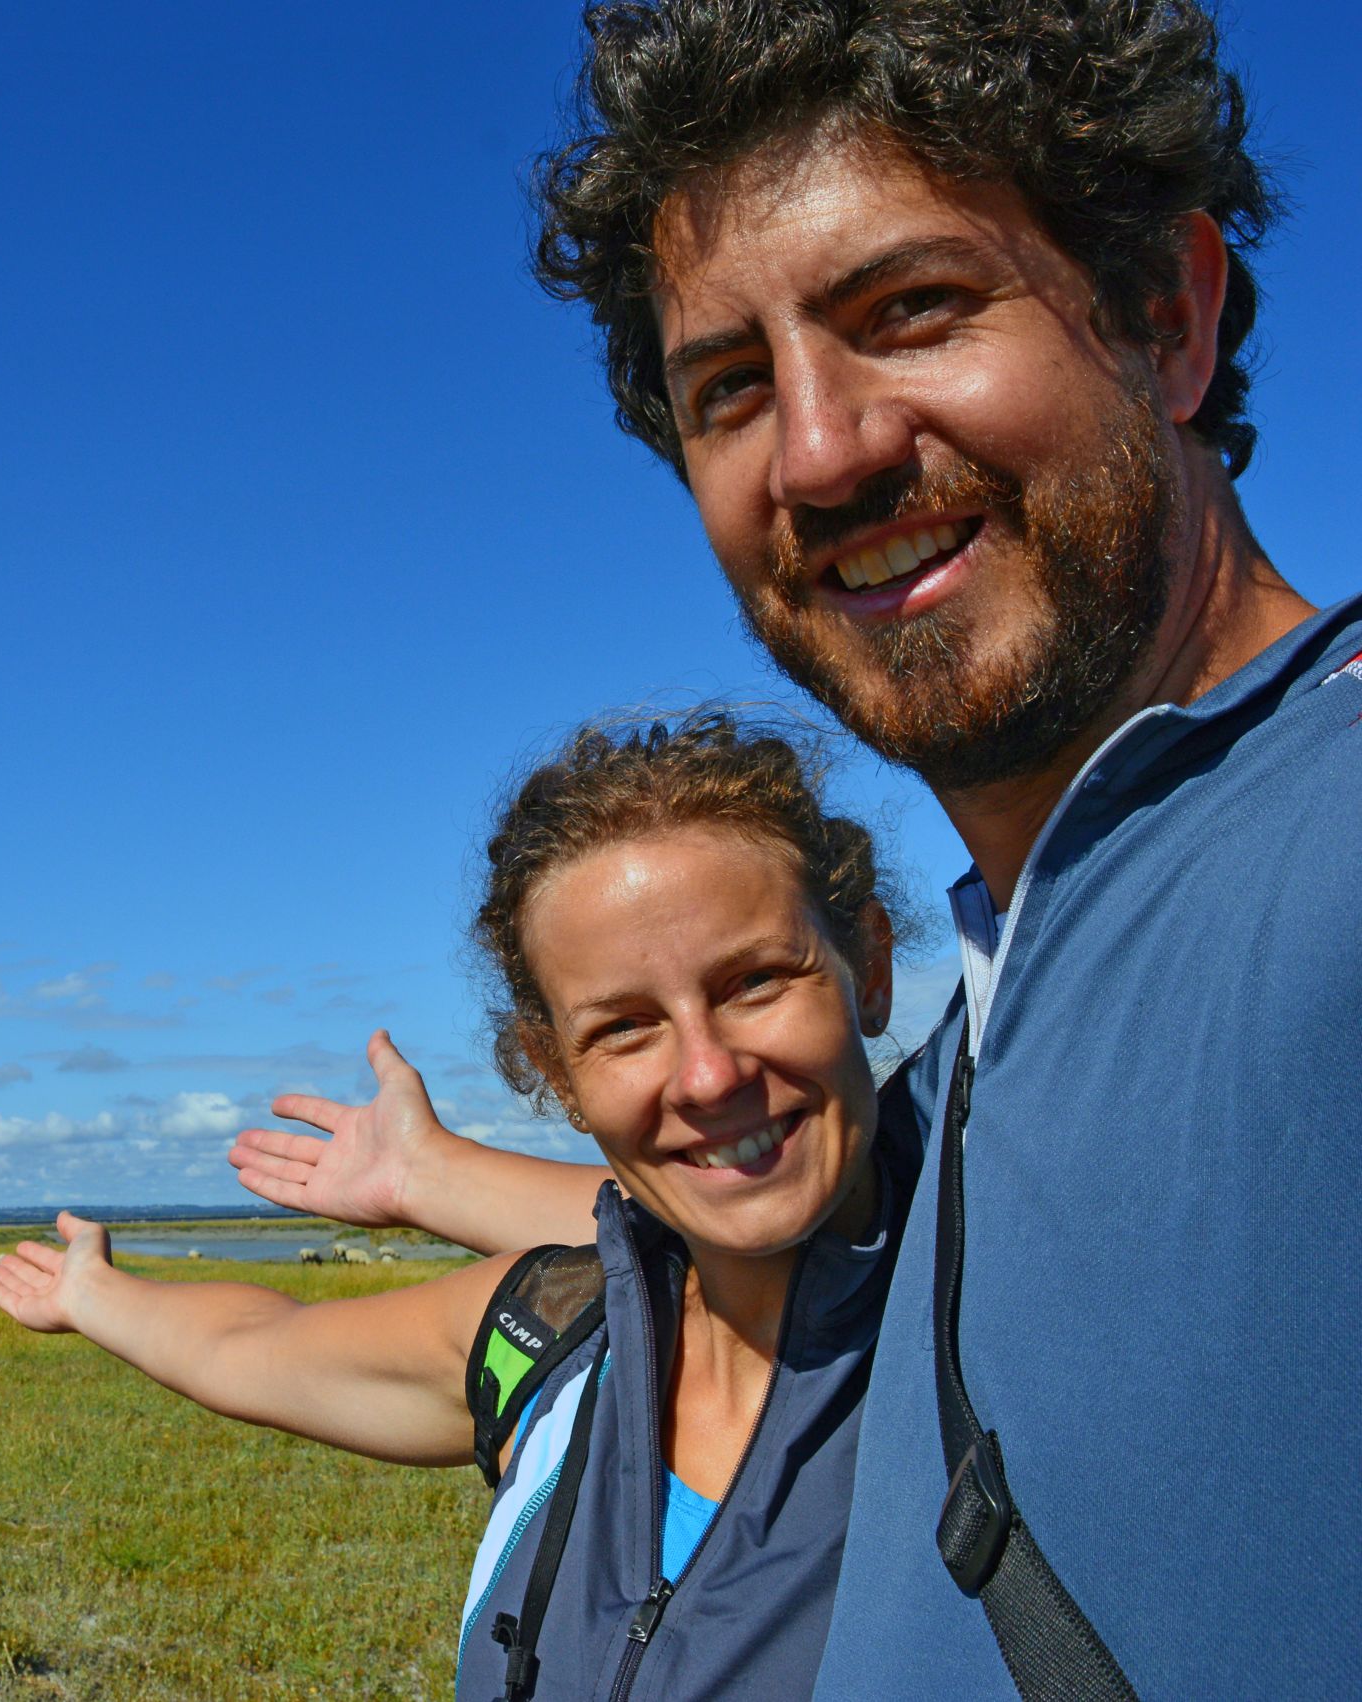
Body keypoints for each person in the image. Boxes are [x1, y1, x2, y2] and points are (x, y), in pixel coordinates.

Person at [240, 5, 1361, 1695]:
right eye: (731, 389)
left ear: (1170, 314)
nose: (823, 449)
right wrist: (431, 1178)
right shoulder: (1009, 1004)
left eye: (912, 307)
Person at [0, 714, 918, 1700]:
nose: (704, 1072)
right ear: (555, 1073)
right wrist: (89, 1290)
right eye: (624, 1027)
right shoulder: (559, 1342)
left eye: (756, 981)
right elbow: (251, 1344)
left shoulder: (985, 1327)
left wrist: (434, 1177)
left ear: (869, 964)